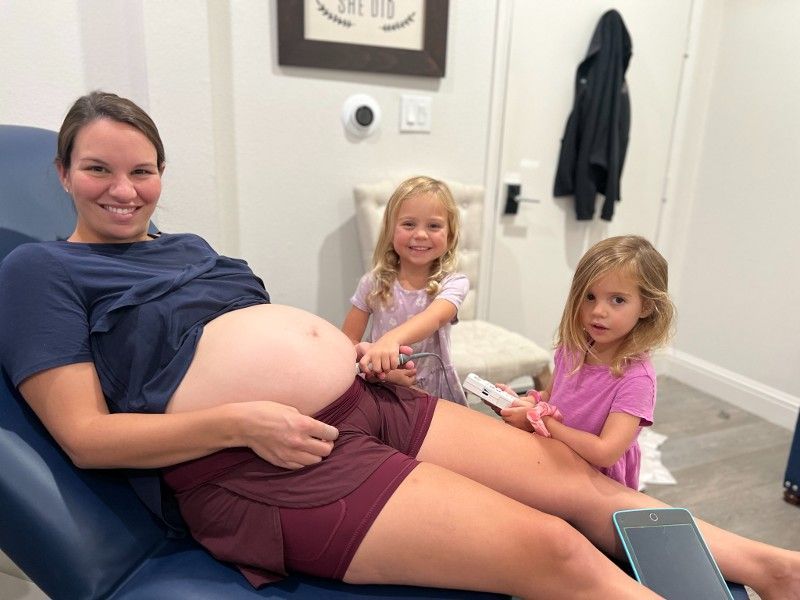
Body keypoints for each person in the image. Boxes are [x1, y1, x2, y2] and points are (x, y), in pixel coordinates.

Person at [1, 91, 799, 600]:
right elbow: (87, 436)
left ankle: (777, 571)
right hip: (259, 460)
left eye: (142, 171)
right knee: (553, 550)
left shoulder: (186, 247)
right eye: (98, 169)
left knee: (583, 489)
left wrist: (357, 359)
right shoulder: (40, 270)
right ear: (62, 174)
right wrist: (244, 422)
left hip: (369, 398)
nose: (124, 189)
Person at [498, 236, 674, 491]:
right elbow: (552, 396)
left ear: (646, 306)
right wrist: (524, 403)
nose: (598, 311)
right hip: (554, 455)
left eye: (617, 300)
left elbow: (605, 452)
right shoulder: (573, 348)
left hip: (595, 481)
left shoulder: (637, 379)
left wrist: (541, 421)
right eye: (590, 296)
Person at [342, 175, 468, 404]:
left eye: (434, 226)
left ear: (450, 236)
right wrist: (378, 369)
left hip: (433, 392)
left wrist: (390, 340)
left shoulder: (454, 283)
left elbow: (435, 317)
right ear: (390, 231)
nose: (420, 234)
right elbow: (348, 341)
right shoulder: (372, 283)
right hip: (381, 390)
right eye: (409, 224)